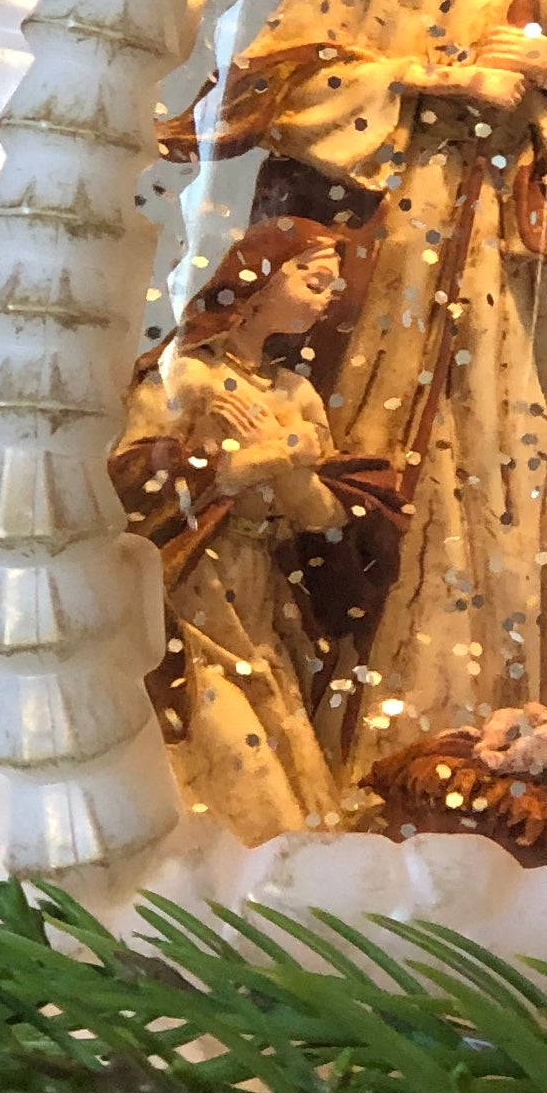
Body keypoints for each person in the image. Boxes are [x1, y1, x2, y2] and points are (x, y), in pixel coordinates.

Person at [155, 0, 547, 768]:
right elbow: (278, 80)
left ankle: (491, 723)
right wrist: (426, 75)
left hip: (496, 263)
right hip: (381, 258)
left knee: (497, 447)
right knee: (370, 438)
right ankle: (344, 728)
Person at [107, 218, 405, 846]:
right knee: (218, 734)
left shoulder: (296, 393)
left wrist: (287, 464)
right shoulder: (187, 375)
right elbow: (130, 482)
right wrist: (246, 464)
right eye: (315, 278)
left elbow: (325, 516)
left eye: (333, 286)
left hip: (264, 591)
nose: (327, 295)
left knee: (274, 716)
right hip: (192, 589)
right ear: (258, 280)